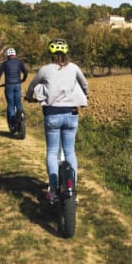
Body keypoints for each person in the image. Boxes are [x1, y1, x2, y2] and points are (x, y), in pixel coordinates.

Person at [24, 39, 88, 202]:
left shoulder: (45, 70)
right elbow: (84, 84)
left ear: (51, 54)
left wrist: (29, 97)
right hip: (71, 114)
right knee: (69, 151)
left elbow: (32, 87)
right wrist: (86, 95)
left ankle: (53, 190)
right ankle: (72, 189)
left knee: (52, 151)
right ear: (66, 54)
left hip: (52, 115)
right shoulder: (74, 68)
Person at [0, 47, 28, 132]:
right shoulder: (19, 62)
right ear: (15, 55)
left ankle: (13, 122)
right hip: (17, 84)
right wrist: (23, 80)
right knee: (18, 102)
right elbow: (25, 72)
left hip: (9, 85)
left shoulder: (5, 64)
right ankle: (21, 115)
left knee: (10, 104)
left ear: (7, 56)